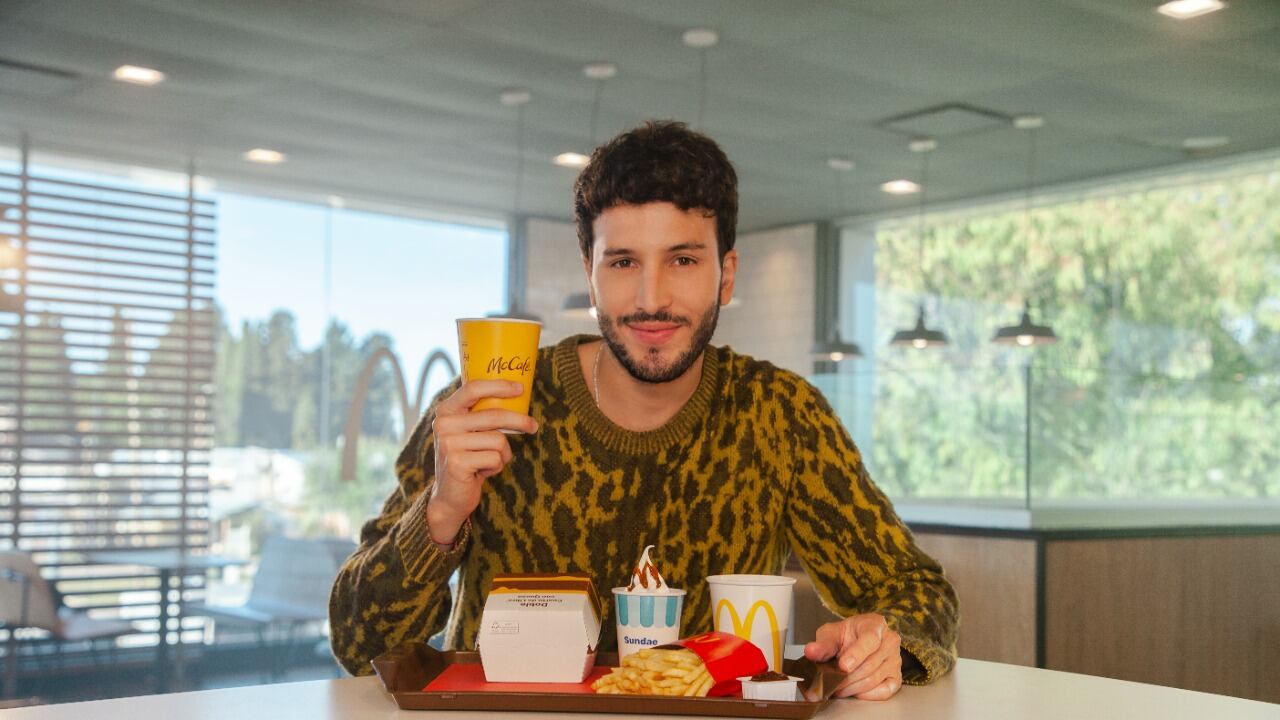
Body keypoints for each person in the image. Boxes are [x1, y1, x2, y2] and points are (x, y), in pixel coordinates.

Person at [329, 120, 958, 700]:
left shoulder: (779, 415)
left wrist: (886, 639)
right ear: (591, 273)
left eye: (683, 260)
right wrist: (440, 513)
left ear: (726, 275)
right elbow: (359, 647)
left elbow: (918, 593)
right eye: (624, 262)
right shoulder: (488, 403)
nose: (651, 298)